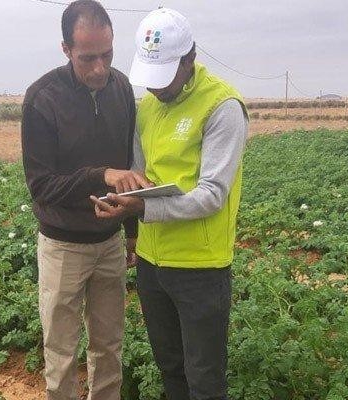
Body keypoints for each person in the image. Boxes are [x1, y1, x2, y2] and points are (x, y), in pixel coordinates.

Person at [90, 8, 249, 400]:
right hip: (151, 263)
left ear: (189, 59)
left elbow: (212, 194)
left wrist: (144, 209)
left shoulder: (222, 106)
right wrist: (125, 197)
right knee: (171, 370)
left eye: (163, 76)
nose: (155, 87)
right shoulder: (148, 107)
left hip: (200, 268)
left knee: (205, 380)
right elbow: (139, 172)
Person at [20, 1, 149, 399]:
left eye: (106, 55)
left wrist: (131, 231)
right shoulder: (43, 98)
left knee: (109, 347)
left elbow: (129, 168)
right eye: (87, 58)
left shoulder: (121, 89)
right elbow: (42, 186)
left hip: (109, 243)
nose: (99, 68)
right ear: (66, 49)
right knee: (61, 352)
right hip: (63, 246)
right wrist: (99, 175)